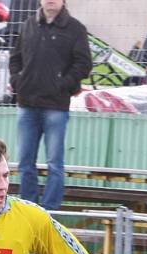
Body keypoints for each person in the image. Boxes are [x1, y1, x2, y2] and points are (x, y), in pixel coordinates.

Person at [9, 0, 92, 210]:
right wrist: (17, 80)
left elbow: (83, 64)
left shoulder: (75, 29)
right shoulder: (28, 25)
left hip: (56, 106)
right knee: (25, 162)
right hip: (27, 105)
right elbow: (15, 58)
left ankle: (50, 211)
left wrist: (62, 84)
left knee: (55, 163)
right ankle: (28, 208)